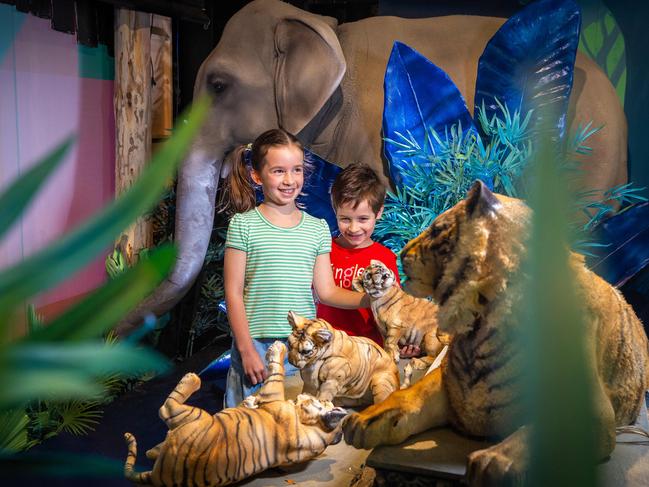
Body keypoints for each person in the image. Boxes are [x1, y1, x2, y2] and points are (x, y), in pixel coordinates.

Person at [220, 129, 369, 408]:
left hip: (302, 348)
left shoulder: (317, 228)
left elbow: (326, 292)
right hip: (257, 348)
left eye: (296, 170)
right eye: (278, 171)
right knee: (248, 432)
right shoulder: (243, 226)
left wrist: (370, 299)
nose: (290, 180)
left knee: (292, 429)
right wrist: (246, 349)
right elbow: (233, 292)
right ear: (257, 176)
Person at [316, 163, 420, 356]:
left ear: (378, 212)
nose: (354, 228)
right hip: (326, 350)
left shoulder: (384, 258)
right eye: (345, 219)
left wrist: (401, 342)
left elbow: (392, 311)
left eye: (363, 219)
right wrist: (371, 299)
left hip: (369, 352)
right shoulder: (323, 250)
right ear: (334, 209)